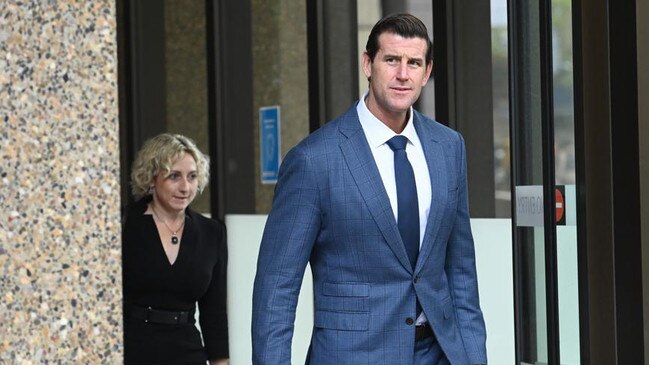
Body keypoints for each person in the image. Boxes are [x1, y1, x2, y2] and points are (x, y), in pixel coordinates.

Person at [252, 13, 486, 365]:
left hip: (439, 353)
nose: (403, 74)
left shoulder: (448, 147)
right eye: (391, 60)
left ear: (427, 71)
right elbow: (277, 288)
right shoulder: (314, 160)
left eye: (414, 63)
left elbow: (461, 272)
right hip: (353, 356)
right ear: (368, 64)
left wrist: (474, 357)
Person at [122, 133, 229, 364]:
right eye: (174, 176)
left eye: (192, 177)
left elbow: (215, 311)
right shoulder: (125, 225)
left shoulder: (212, 232)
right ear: (152, 178)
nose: (185, 187)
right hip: (133, 351)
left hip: (188, 353)